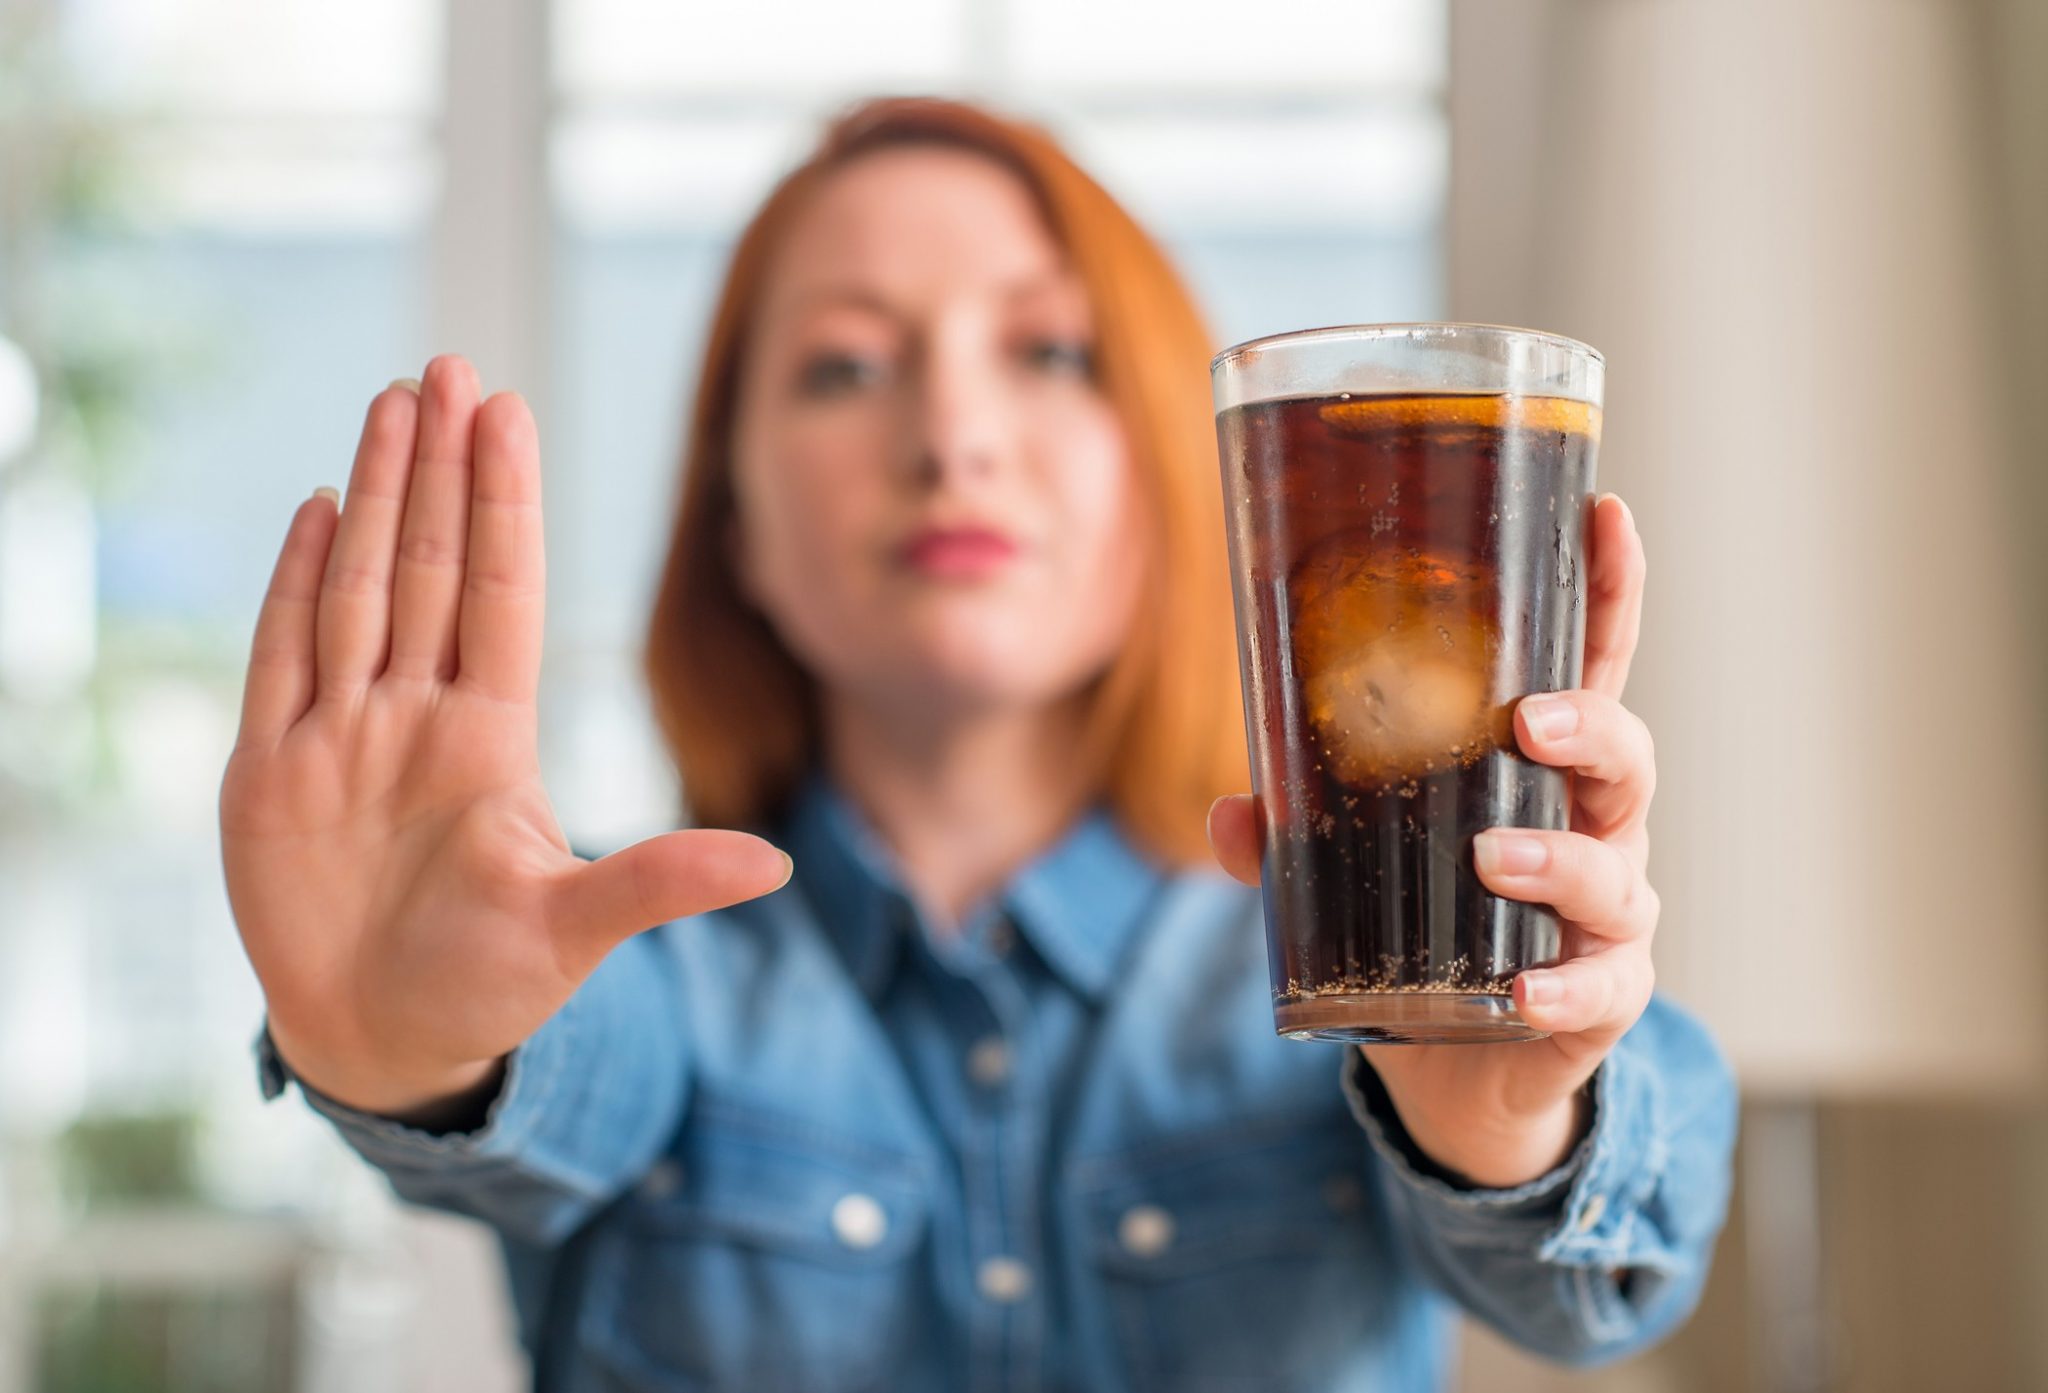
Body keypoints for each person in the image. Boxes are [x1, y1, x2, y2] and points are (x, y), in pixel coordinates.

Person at [220, 96, 1735, 1392]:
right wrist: (409, 1051)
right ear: (733, 519)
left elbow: (1612, 1281)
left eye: (1050, 354)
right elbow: (551, 1074)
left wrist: (1514, 1119)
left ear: (1174, 476)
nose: (953, 433)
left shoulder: (1361, 956)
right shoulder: (613, 947)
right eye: (846, 364)